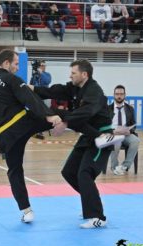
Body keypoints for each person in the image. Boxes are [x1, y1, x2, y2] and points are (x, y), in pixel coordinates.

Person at [30, 59, 124, 229]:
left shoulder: (94, 91)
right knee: (69, 172)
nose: (70, 75)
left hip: (101, 138)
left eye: (73, 73)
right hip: (87, 137)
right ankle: (90, 202)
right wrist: (33, 89)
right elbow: (57, 90)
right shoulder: (75, 88)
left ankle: (98, 216)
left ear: (84, 74)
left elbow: (85, 112)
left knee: (85, 173)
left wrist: (64, 121)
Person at [0, 49, 62, 223]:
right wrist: (48, 115)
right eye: (16, 64)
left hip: (6, 134)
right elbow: (29, 98)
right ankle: (96, 131)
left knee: (15, 171)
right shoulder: (11, 79)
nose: (17, 68)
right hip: (23, 123)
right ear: (6, 63)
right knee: (61, 116)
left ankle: (26, 211)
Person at [108, 85, 140, 175]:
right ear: (113, 95)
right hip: (113, 134)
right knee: (116, 143)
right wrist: (112, 131)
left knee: (136, 140)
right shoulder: (107, 109)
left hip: (126, 134)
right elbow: (103, 125)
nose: (119, 96)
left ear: (125, 95)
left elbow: (134, 124)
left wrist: (129, 131)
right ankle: (114, 167)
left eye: (121, 94)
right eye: (117, 94)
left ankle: (124, 166)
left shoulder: (130, 108)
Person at [29, 60, 52, 139]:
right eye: (41, 65)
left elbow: (47, 81)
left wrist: (41, 73)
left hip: (45, 97)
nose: (42, 67)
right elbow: (31, 84)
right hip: (37, 96)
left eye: (43, 65)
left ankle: (42, 129)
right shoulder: (35, 75)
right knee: (36, 113)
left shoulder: (47, 75)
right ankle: (37, 131)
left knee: (44, 113)